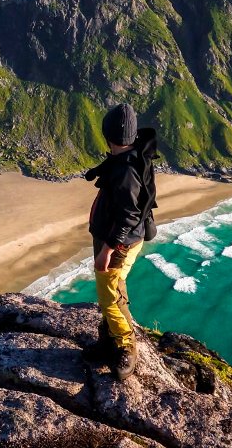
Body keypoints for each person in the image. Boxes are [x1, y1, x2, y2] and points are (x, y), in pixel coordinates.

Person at [84, 103, 157, 380]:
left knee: (110, 295)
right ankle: (108, 341)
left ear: (108, 135)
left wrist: (107, 249)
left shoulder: (126, 170)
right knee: (111, 292)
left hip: (118, 243)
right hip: (118, 239)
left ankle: (126, 345)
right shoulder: (130, 157)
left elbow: (128, 215)